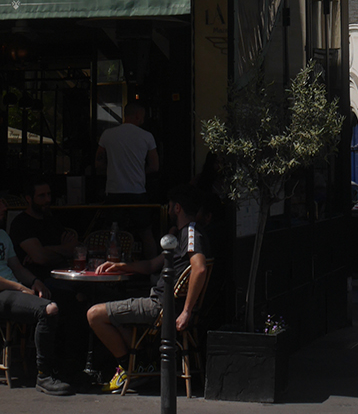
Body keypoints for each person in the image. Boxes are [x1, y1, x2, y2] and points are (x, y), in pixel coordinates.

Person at [86, 185, 209, 393]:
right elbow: (152, 265)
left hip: (160, 306)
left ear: (177, 208)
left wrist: (187, 311)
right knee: (116, 312)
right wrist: (122, 266)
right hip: (159, 303)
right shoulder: (180, 235)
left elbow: (200, 268)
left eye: (169, 206)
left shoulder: (190, 233)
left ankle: (130, 368)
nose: (167, 210)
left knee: (94, 314)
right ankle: (140, 364)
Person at [0, 198, 73, 395]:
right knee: (48, 309)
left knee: (65, 301)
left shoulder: (3, 235)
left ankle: (68, 366)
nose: (5, 207)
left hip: (13, 289)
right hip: (4, 292)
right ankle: (43, 375)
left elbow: (16, 266)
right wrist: (20, 288)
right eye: (1, 203)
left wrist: (33, 282)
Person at [96, 102, 159, 258]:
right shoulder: (146, 136)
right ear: (137, 115)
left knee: (113, 234)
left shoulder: (107, 135)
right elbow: (155, 166)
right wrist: (140, 172)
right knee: (146, 234)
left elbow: (98, 162)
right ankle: (151, 270)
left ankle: (111, 267)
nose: (143, 119)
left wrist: (111, 172)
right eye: (142, 116)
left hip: (114, 191)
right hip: (137, 192)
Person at [9, 179, 77, 279]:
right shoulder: (21, 223)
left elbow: (74, 249)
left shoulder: (51, 220)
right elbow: (41, 258)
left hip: (65, 274)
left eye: (49, 194)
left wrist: (47, 249)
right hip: (41, 280)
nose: (48, 199)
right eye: (42, 196)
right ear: (29, 198)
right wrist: (63, 250)